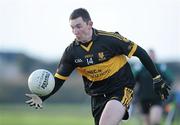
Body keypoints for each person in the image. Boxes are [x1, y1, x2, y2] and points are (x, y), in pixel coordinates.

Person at [25, 8, 170, 125]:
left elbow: (141, 52)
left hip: (121, 88)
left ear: (90, 24)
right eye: (72, 28)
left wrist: (156, 78)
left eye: (79, 26)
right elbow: (58, 80)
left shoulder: (111, 39)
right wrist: (42, 97)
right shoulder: (71, 53)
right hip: (97, 96)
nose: (75, 31)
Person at [135, 49, 173, 125]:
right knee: (146, 123)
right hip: (143, 99)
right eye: (149, 56)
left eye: (152, 55)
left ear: (155, 56)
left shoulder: (160, 67)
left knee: (155, 121)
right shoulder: (140, 68)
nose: (151, 57)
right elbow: (132, 79)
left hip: (156, 98)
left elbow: (170, 79)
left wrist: (163, 87)